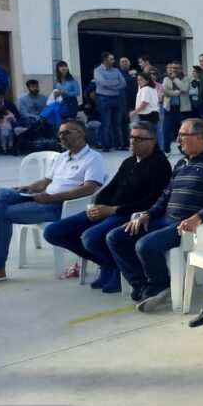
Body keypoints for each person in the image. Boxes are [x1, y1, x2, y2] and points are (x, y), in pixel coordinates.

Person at [106, 118, 203, 310]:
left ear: (198, 137)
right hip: (164, 219)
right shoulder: (181, 163)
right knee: (116, 237)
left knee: (145, 245)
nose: (178, 139)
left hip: (187, 225)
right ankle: (142, 285)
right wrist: (147, 214)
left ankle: (159, 285)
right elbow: (165, 196)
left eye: (182, 135)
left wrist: (198, 217)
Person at [43, 121, 171, 292]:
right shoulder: (129, 161)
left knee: (90, 237)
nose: (133, 141)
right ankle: (107, 262)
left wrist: (113, 210)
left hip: (127, 214)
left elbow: (152, 201)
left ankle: (118, 268)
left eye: (140, 138)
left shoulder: (159, 165)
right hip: (107, 210)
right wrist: (97, 207)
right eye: (132, 137)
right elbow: (110, 188)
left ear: (153, 141)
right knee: (53, 232)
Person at [0, 119, 106, 284]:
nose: (61, 136)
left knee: (3, 214)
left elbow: (89, 188)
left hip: (58, 205)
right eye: (60, 133)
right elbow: (46, 181)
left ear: (80, 134)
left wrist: (52, 198)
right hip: (42, 197)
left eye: (66, 133)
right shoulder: (62, 157)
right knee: (1, 194)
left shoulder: (94, 158)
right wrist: (30, 187)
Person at [161, 63, 190, 154]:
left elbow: (185, 89)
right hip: (169, 109)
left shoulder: (186, 79)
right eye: (172, 67)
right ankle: (166, 149)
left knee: (183, 131)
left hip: (182, 110)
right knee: (166, 129)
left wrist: (175, 79)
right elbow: (165, 91)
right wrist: (178, 92)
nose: (173, 69)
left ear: (181, 69)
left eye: (176, 68)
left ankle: (183, 148)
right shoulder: (166, 79)